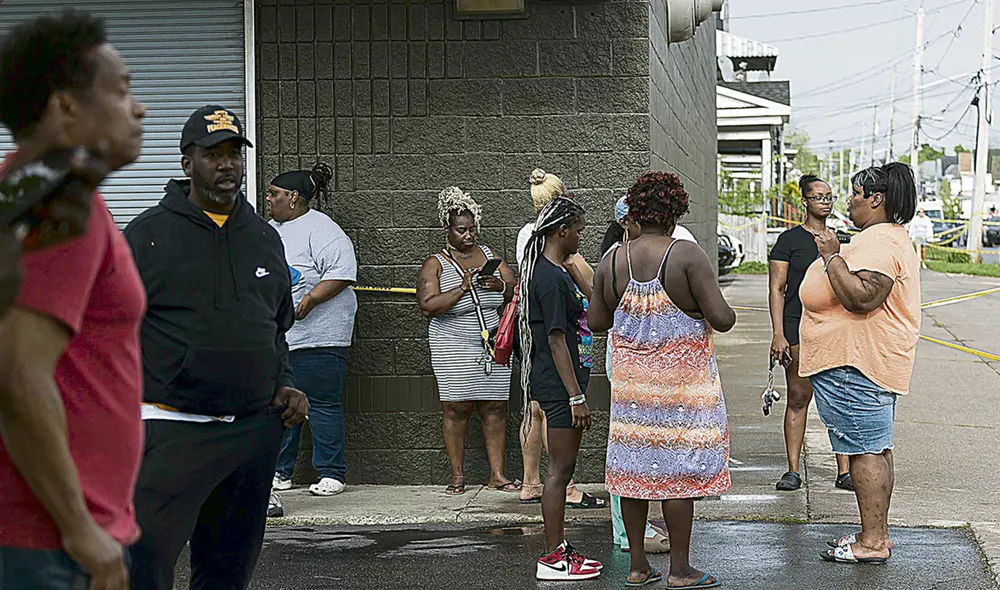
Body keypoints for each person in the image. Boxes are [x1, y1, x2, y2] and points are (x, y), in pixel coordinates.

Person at [125, 105, 309, 590]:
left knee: (226, 571)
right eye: (213, 155)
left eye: (234, 154)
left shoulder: (264, 238)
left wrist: (284, 382)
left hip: (249, 433)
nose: (226, 165)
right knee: (142, 558)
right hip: (170, 426)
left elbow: (275, 328)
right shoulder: (148, 236)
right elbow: (111, 329)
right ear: (188, 163)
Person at [0, 11, 147, 590]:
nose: (138, 108)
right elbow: (16, 376)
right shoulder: (56, 206)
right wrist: (80, 527)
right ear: (66, 109)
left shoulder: (26, 188)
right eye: (120, 90)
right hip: (47, 542)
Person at [590, 171, 736, 589]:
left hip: (632, 391)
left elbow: (598, 321)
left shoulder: (612, 260)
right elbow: (722, 319)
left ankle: (638, 567)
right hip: (683, 392)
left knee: (633, 475)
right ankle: (680, 569)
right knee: (679, 476)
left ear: (634, 213)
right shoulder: (686, 256)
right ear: (674, 214)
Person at [800, 163, 920, 565]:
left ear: (876, 199)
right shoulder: (881, 238)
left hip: (856, 365)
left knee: (865, 453)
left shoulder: (880, 243)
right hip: (863, 363)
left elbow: (863, 297)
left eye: (854, 193)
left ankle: (871, 543)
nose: (847, 200)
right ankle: (876, 535)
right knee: (876, 449)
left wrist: (832, 257)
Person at [519, 196, 603, 581]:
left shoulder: (555, 271)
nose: (580, 239)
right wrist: (576, 396)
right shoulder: (549, 279)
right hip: (559, 388)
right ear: (561, 230)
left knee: (562, 470)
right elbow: (555, 340)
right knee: (559, 472)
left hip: (561, 385)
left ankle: (560, 549)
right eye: (578, 231)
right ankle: (554, 557)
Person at [417, 187, 519, 495]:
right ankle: (458, 476)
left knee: (495, 407)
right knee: (455, 408)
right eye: (461, 230)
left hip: (492, 344)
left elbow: (514, 287)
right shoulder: (435, 263)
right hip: (452, 344)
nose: (469, 235)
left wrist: (498, 284)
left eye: (472, 229)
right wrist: (461, 288)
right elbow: (427, 305)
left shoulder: (488, 255)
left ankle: (497, 475)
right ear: (446, 229)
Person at [267, 163, 357, 499]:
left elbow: (343, 272)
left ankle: (332, 472)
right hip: (282, 337)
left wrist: (309, 300)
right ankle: (281, 471)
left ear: (293, 197)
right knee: (281, 405)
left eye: (274, 194)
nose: (268, 199)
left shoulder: (322, 229)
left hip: (320, 336)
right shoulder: (271, 230)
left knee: (321, 403)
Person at [768, 175, 853, 493]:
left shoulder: (841, 239)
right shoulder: (788, 241)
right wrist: (778, 333)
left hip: (836, 328)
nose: (825, 202)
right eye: (818, 197)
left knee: (839, 401)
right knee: (799, 397)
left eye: (830, 196)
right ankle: (792, 470)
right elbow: (777, 289)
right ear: (804, 201)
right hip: (797, 327)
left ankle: (844, 471)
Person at [602, 196, 670, 555]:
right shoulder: (618, 258)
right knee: (630, 447)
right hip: (630, 360)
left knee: (638, 445)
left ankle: (635, 528)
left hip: (643, 361)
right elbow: (600, 317)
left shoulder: (623, 255)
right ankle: (627, 532)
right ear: (630, 222)